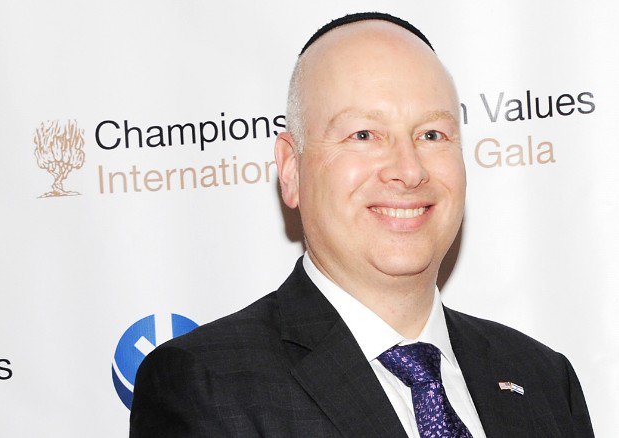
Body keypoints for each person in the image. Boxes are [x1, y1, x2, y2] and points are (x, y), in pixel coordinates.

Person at [130, 12, 595, 438]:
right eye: (364, 135)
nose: (408, 170)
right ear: (291, 169)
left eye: (431, 134)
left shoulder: (543, 380)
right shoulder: (206, 386)